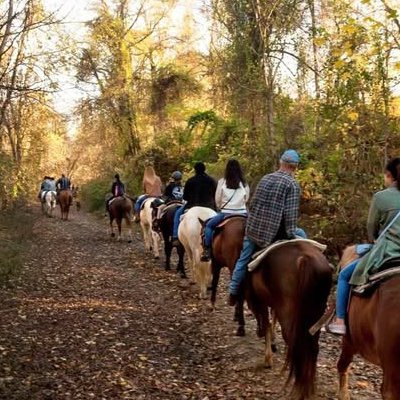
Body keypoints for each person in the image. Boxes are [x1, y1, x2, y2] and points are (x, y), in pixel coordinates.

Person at [327, 157, 400, 335]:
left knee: (344, 275)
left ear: (390, 176)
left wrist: (375, 239)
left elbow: (372, 229)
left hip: (388, 251)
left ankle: (340, 320)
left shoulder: (381, 197)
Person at [228, 149, 306, 306]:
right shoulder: (292, 184)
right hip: (275, 232)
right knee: (302, 234)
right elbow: (290, 215)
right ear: (295, 167)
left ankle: (233, 291)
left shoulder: (266, 178)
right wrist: (291, 235)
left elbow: (253, 203)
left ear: (281, 163)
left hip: (254, 229)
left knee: (243, 259)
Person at [200, 159, 250, 261]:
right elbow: (246, 199)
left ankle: (207, 250)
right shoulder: (244, 184)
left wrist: (220, 207)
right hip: (243, 213)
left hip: (226, 213)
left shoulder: (222, 182)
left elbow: (217, 199)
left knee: (208, 226)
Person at [171, 162, 217, 246]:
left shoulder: (190, 181)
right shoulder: (212, 180)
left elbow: (185, 197)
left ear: (195, 170)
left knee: (177, 214)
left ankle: (175, 237)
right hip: (209, 206)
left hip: (192, 205)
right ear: (204, 169)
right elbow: (215, 195)